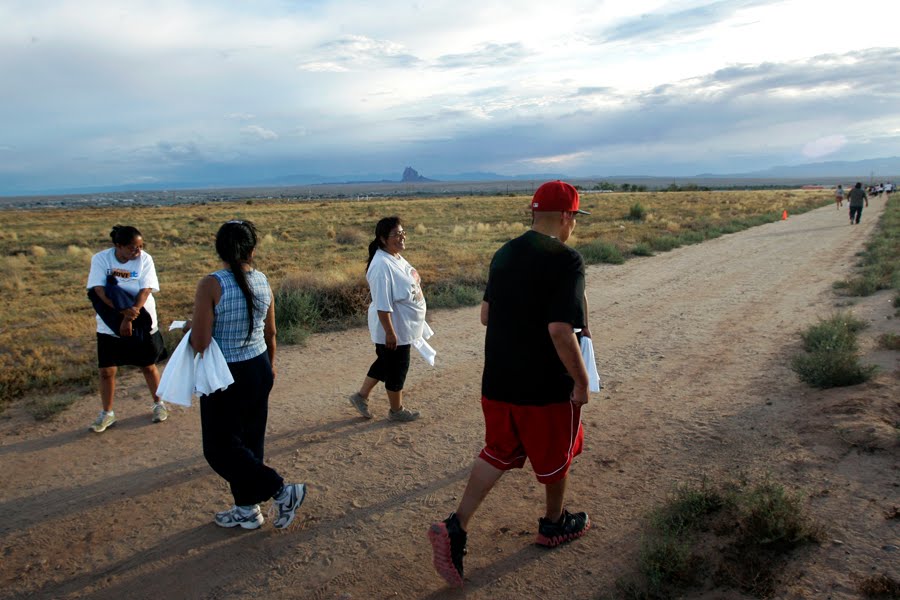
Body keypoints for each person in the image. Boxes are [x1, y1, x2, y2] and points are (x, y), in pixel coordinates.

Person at [428, 181, 593, 588]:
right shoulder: (566, 260)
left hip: (499, 379)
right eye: (574, 217)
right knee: (557, 456)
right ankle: (554, 524)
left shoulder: (504, 253)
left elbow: (486, 315)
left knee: (499, 450)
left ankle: (456, 525)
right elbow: (560, 329)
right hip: (544, 386)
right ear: (567, 217)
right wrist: (581, 380)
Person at [189, 220, 305, 530]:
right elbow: (271, 332)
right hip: (259, 366)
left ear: (219, 250)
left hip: (226, 374)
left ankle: (282, 490)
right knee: (249, 442)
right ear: (252, 251)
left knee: (219, 448)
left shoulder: (210, 284)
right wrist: (272, 364)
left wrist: (191, 326)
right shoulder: (262, 280)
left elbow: (200, 342)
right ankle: (246, 510)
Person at [86, 225, 169, 433]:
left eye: (141, 246)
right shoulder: (101, 259)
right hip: (110, 321)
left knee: (148, 366)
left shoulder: (145, 259)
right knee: (106, 370)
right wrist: (123, 314)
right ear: (118, 246)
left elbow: (146, 289)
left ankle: (159, 404)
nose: (138, 252)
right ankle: (107, 414)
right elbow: (99, 290)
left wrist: (132, 313)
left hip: (141, 318)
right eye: (133, 248)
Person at [348, 216, 424, 423]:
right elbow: (382, 303)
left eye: (402, 232)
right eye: (396, 234)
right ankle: (396, 410)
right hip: (393, 328)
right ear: (382, 239)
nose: (401, 237)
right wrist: (390, 332)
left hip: (401, 326)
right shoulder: (382, 265)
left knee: (385, 362)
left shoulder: (394, 256)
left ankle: (360, 396)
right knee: (398, 368)